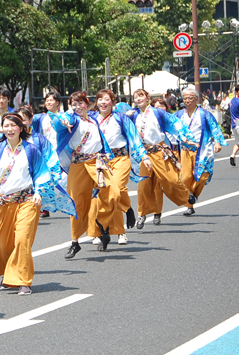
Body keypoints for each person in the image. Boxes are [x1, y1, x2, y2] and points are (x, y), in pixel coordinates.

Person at [0, 113, 53, 295]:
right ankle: (8, 274)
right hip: (4, 203)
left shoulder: (31, 150)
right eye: (6, 125)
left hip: (27, 200)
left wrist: (39, 192)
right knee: (3, 244)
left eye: (13, 125)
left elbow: (42, 173)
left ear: (21, 128)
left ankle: (23, 280)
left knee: (22, 239)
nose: (9, 129)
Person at [51, 91, 121, 258]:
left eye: (80, 103)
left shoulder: (93, 118)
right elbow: (58, 124)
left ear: (86, 104)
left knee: (114, 193)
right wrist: (64, 118)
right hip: (78, 165)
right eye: (73, 104)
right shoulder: (72, 119)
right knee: (77, 203)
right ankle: (75, 242)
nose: (77, 107)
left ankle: (102, 224)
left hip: (97, 162)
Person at [88, 90, 152, 246]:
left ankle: (120, 230)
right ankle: (100, 230)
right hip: (99, 161)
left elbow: (135, 139)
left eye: (106, 99)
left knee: (115, 190)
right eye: (100, 99)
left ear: (113, 102)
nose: (103, 102)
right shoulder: (90, 120)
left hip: (120, 159)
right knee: (100, 197)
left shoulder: (121, 118)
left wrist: (144, 156)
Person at [126, 89, 195, 228]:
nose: (138, 99)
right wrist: (124, 115)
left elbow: (175, 123)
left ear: (147, 98)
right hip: (144, 154)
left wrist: (184, 136)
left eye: (141, 96)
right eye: (135, 97)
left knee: (170, 179)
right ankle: (142, 214)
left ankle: (186, 196)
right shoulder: (134, 115)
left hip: (159, 150)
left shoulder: (157, 112)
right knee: (144, 186)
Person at [173, 88, 226, 209]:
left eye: (190, 98)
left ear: (196, 99)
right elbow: (168, 123)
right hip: (186, 150)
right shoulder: (179, 115)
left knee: (203, 176)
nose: (187, 101)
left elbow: (214, 127)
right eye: (185, 98)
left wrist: (217, 142)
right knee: (186, 178)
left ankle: (192, 194)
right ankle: (189, 206)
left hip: (203, 149)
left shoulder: (204, 114)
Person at [31, 91, 63, 218]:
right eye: (47, 100)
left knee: (65, 179)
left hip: (61, 152)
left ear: (57, 103)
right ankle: (44, 207)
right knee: (44, 178)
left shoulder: (63, 117)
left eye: (52, 100)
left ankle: (70, 202)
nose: (49, 102)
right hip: (45, 153)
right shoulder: (40, 118)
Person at [229, 86, 239, 166]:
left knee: (238, 142)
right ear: (237, 91)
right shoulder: (238, 101)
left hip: (234, 125)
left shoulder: (232, 101)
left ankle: (232, 155)